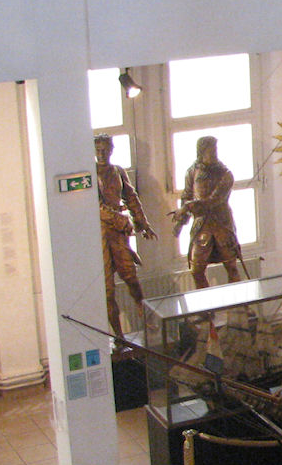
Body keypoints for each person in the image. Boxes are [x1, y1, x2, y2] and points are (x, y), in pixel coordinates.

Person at [95, 134, 157, 338]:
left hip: (118, 235)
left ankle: (143, 312)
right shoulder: (90, 174)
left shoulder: (118, 171)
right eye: (98, 150)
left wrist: (143, 223)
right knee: (107, 290)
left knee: (131, 277)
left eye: (105, 149)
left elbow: (131, 197)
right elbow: (96, 206)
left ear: (111, 150)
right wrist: (120, 219)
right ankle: (119, 337)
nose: (101, 154)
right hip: (100, 235)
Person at [171, 134, 241, 289]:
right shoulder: (192, 172)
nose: (214, 153)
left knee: (231, 267)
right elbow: (186, 196)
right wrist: (180, 222)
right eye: (211, 150)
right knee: (196, 270)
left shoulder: (225, 174)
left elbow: (214, 200)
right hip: (202, 226)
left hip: (222, 225)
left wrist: (188, 207)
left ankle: (238, 301)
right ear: (202, 152)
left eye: (215, 150)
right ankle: (205, 303)